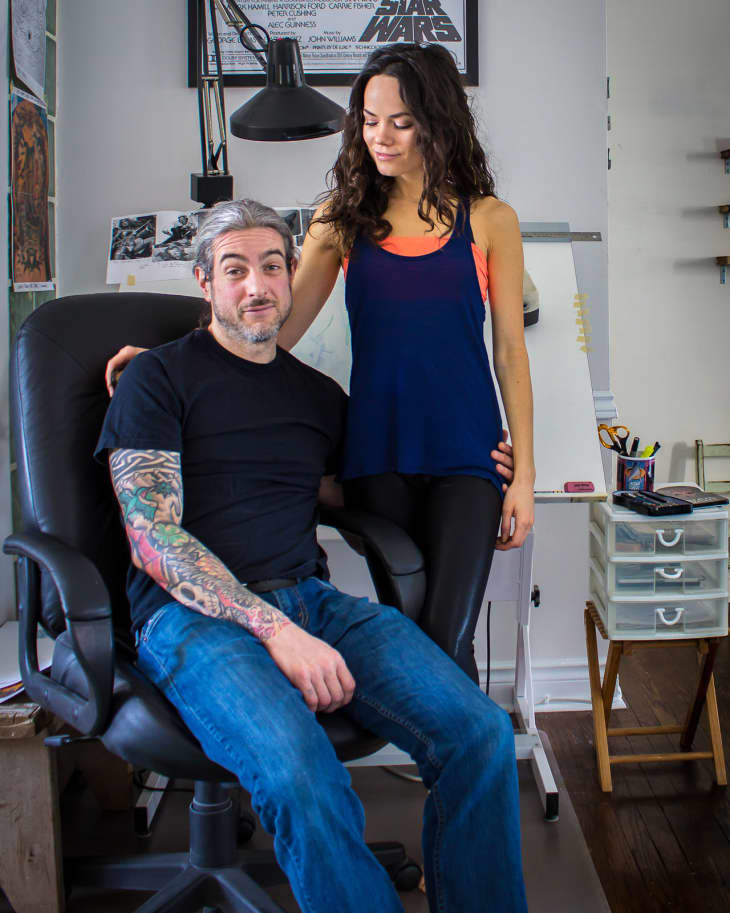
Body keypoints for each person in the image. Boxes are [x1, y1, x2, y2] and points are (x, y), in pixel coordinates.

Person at [96, 199, 528, 913]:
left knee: (479, 732)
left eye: (272, 266)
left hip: (311, 601)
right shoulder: (157, 379)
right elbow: (153, 539)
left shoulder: (319, 398)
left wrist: (495, 463)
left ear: (293, 274)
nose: (257, 286)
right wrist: (275, 630)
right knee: (301, 772)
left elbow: (375, 476)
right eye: (235, 270)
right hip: (191, 620)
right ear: (205, 281)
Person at [105, 42, 535, 684]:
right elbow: (273, 326)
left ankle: (461, 741)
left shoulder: (491, 220)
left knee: (450, 634)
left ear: (437, 123)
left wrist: (525, 474)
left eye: (400, 122)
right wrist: (169, 364)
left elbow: (509, 351)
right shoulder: (343, 219)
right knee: (414, 633)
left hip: (468, 453)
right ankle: (449, 744)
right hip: (377, 452)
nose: (379, 137)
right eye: (369, 120)